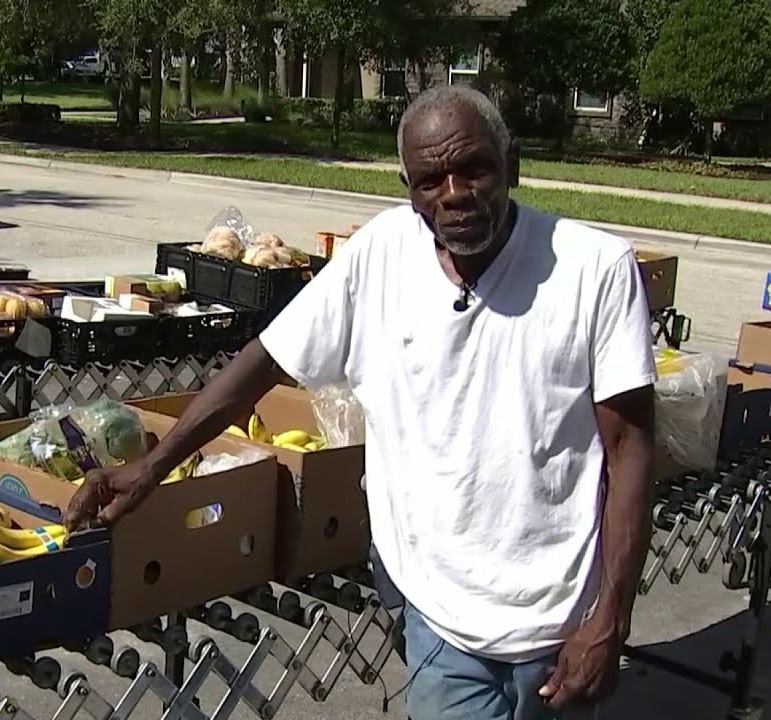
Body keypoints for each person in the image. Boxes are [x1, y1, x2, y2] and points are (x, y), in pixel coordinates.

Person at [66, 84, 657, 720]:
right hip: (439, 614)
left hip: (556, 618)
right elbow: (263, 364)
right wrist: (154, 466)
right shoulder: (380, 253)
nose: (454, 193)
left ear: (511, 161)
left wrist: (611, 617)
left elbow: (629, 447)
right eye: (430, 180)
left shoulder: (593, 268)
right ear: (407, 185)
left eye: (474, 168)